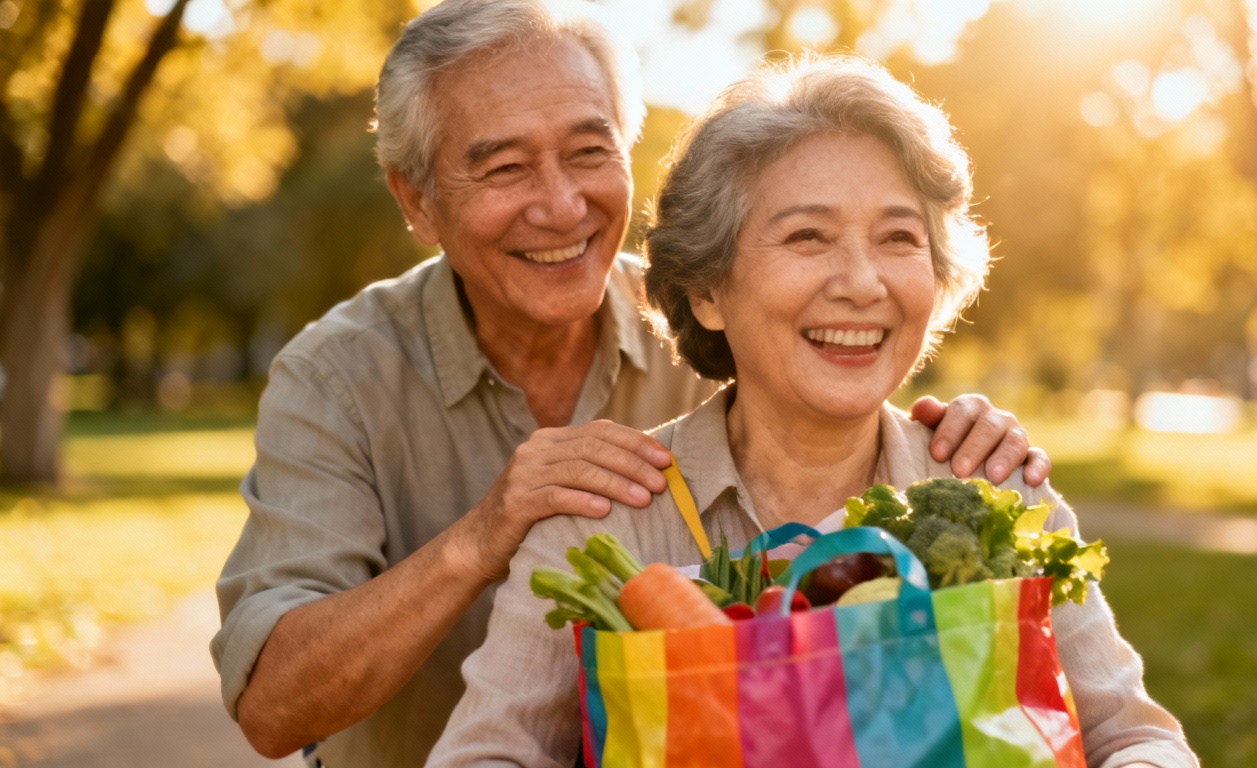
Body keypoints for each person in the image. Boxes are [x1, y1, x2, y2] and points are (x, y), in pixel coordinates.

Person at [210, 2, 1052, 767]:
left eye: (589, 152)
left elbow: (850, 351)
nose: (562, 204)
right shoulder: (338, 379)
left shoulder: (716, 315)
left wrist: (965, 449)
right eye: (504, 169)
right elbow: (274, 710)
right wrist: (482, 537)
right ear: (417, 201)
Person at [426, 55, 1198, 768]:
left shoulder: (992, 492)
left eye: (899, 237)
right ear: (707, 291)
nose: (862, 282)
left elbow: (1134, 738)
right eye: (808, 235)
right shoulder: (602, 521)